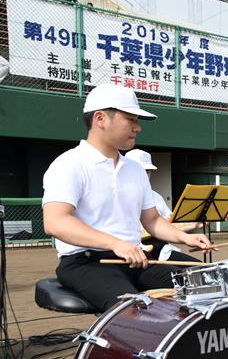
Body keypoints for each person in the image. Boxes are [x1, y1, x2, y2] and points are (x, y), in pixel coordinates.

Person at [42, 84, 212, 311]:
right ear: (100, 119)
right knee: (134, 311)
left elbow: (152, 220)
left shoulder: (135, 170)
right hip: (86, 262)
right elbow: (55, 222)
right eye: (130, 120)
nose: (137, 128)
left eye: (137, 121)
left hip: (136, 259)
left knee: (205, 290)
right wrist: (115, 243)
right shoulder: (69, 164)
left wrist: (184, 237)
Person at [125, 148, 203, 263]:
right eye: (140, 171)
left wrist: (195, 224)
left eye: (147, 171)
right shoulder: (115, 195)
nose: (145, 175)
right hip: (129, 255)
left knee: (199, 266)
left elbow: (168, 225)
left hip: (159, 252)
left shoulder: (155, 197)